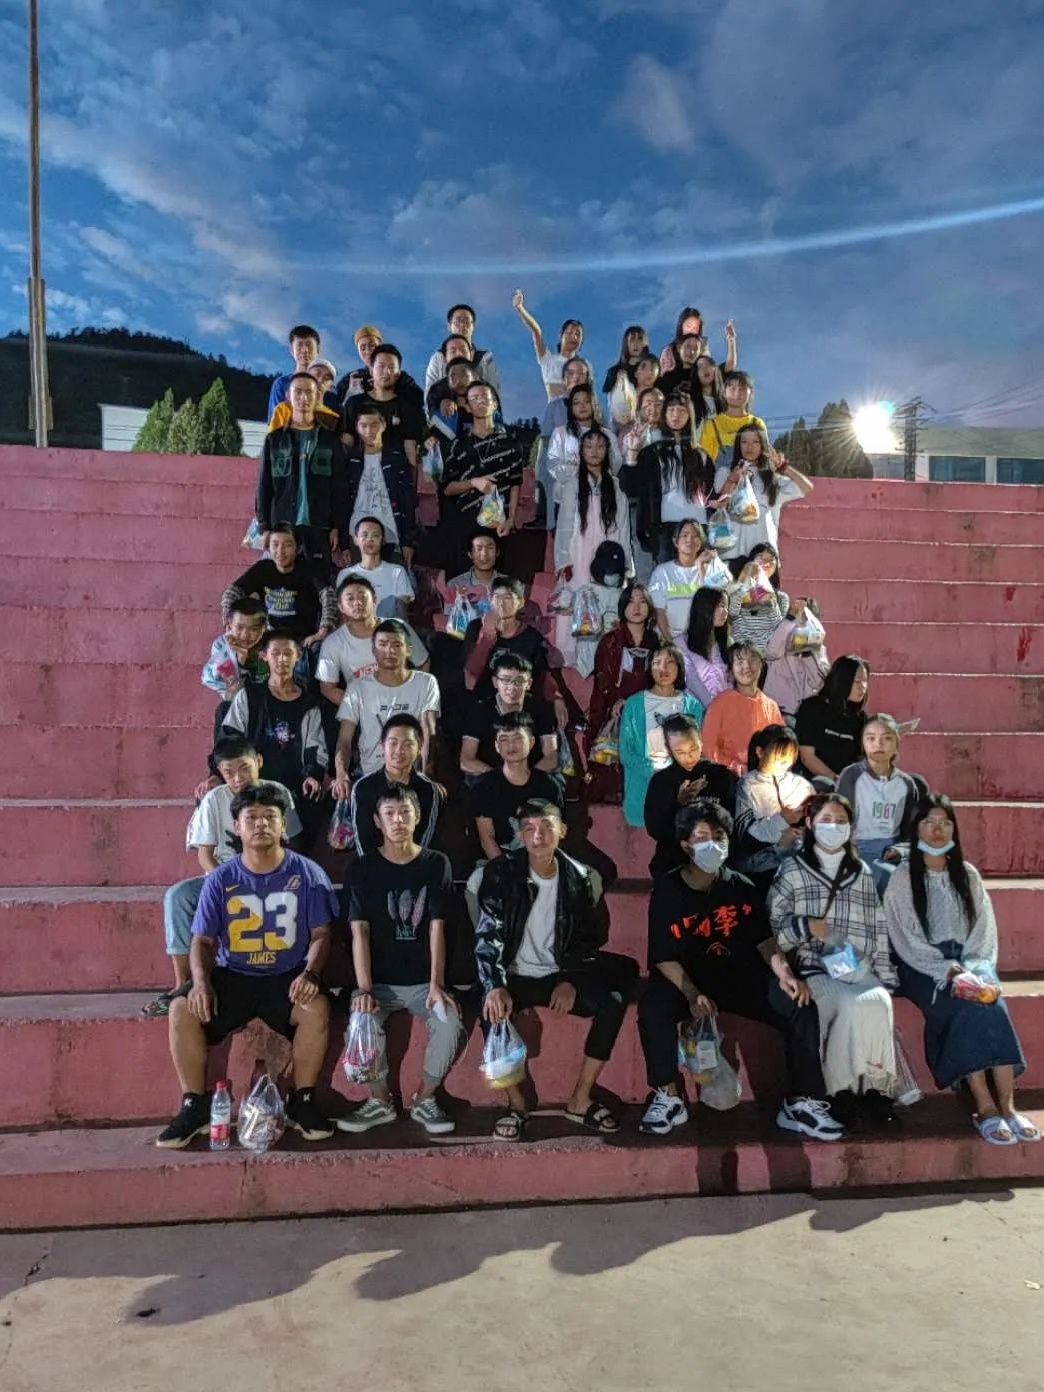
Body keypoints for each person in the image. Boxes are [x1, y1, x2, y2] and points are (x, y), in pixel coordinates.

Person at [638, 798, 842, 1140]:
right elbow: (662, 955)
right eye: (702, 837)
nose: (712, 844)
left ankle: (802, 1102)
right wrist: (692, 993)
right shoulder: (669, 891)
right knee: (653, 1005)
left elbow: (764, 941)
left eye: (718, 836)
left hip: (735, 977)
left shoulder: (741, 887)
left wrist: (786, 974)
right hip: (686, 980)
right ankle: (667, 1095)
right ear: (686, 844)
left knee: (798, 1003)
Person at [156, 783, 337, 1148]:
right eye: (251, 818)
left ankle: (302, 1101)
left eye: (270, 817)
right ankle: (194, 1105)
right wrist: (200, 983)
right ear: (236, 827)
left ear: (283, 825)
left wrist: (310, 973)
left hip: (286, 975)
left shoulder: (308, 873)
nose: (261, 824)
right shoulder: (221, 878)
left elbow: (321, 933)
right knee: (181, 1009)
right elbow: (202, 941)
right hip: (234, 975)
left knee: (316, 1007)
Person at [475, 799, 638, 1139]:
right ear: (521, 836)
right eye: (529, 830)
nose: (538, 837)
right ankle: (516, 1104)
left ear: (562, 831)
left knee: (612, 1002)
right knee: (490, 1009)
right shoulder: (502, 872)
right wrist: (494, 984)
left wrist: (569, 981)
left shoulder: (579, 877)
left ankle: (581, 1098)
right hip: (513, 975)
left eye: (546, 827)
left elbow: (584, 940)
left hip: (556, 973)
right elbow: (489, 933)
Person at [884, 794, 1037, 1145]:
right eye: (928, 823)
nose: (937, 831)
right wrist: (950, 972)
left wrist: (978, 970)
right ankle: (984, 1107)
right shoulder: (902, 879)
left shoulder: (967, 874)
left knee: (992, 1003)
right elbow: (906, 940)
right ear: (915, 829)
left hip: (970, 959)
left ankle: (1008, 1106)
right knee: (965, 1007)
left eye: (945, 823)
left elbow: (983, 930)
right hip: (923, 967)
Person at [767, 793, 900, 1130]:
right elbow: (773, 927)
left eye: (841, 821)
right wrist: (805, 927)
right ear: (810, 823)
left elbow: (877, 926)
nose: (834, 826)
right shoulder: (792, 870)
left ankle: (875, 1090)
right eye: (826, 819)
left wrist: (884, 975)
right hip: (813, 965)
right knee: (847, 1004)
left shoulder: (861, 872)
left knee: (879, 1001)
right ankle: (840, 1091)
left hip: (857, 966)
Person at [145, 737, 302, 1017]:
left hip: (271, 875)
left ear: (258, 761)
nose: (238, 778)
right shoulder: (213, 800)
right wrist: (226, 882)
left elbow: (291, 845)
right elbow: (205, 855)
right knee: (178, 896)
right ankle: (183, 983)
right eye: (229, 773)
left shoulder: (278, 792)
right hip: (223, 875)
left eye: (244, 768)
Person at [338, 785, 462, 1135]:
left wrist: (436, 985)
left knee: (449, 1021)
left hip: (423, 981)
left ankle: (425, 1097)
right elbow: (359, 932)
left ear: (417, 817)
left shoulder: (435, 863)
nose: (398, 820)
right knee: (361, 1020)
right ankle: (380, 1100)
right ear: (377, 821)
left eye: (405, 812)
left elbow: (437, 927)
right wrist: (364, 989)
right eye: (390, 814)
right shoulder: (362, 867)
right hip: (378, 982)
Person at [221, 630, 328, 846]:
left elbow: (315, 747)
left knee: (301, 829)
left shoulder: (309, 704)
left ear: (297, 656)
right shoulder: (250, 696)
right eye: (276, 653)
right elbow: (230, 738)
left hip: (294, 785)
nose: (282, 659)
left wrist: (312, 775)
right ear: (264, 656)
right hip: (252, 783)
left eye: (288, 653)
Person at [333, 618, 441, 794]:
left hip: (411, 777)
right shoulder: (357, 687)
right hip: (370, 776)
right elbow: (344, 739)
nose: (389, 651)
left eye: (397, 645)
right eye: (382, 644)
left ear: (409, 650)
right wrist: (341, 774)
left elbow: (428, 731)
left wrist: (425, 776)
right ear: (373, 650)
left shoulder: (426, 683)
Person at [255, 372, 347, 574]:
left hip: (319, 525)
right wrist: (264, 526)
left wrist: (337, 526)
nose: (303, 398)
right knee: (282, 584)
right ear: (288, 395)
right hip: (283, 526)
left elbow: (339, 486)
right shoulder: (274, 440)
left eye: (309, 393)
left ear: (317, 397)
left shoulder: (330, 440)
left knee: (317, 581)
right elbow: (264, 485)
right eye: (298, 392)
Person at [584, 583, 661, 802]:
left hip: (646, 706)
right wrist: (617, 701)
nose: (636, 607)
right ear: (622, 607)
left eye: (642, 602)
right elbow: (603, 679)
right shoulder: (611, 640)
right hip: (614, 707)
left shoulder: (654, 641)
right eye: (631, 602)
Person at [837, 714, 926, 895]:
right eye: (871, 738)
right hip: (858, 848)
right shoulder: (851, 776)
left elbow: (910, 831)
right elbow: (841, 821)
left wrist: (899, 850)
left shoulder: (906, 784)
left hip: (893, 850)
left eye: (887, 738)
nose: (878, 744)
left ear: (897, 743)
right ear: (862, 743)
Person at [619, 644, 704, 828]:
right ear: (649, 668)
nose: (663, 668)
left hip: (679, 789)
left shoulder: (692, 706)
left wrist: (674, 776)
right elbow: (626, 752)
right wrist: (653, 773)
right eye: (657, 662)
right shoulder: (634, 704)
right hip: (643, 789)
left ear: (679, 667)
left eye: (670, 662)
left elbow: (698, 750)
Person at [643, 714, 738, 877]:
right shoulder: (662, 781)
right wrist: (678, 803)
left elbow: (735, 823)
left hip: (717, 856)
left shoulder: (722, 776)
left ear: (700, 740)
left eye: (693, 749)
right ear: (669, 748)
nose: (688, 757)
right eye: (679, 752)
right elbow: (656, 829)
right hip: (675, 859)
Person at [316, 574, 427, 710]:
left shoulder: (398, 627)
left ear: (374, 600)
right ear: (341, 606)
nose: (357, 603)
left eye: (363, 596)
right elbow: (327, 688)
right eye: (350, 598)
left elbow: (423, 663)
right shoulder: (332, 643)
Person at [441, 381, 524, 552]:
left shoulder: (511, 443)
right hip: (466, 524)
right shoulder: (457, 445)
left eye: (485, 397)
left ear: (495, 404)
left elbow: (515, 484)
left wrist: (511, 519)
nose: (480, 401)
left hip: (499, 525)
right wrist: (473, 483)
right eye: (474, 398)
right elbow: (447, 489)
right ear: (467, 407)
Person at [712, 424, 813, 562]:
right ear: (738, 446)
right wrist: (731, 480)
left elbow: (806, 487)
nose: (749, 446)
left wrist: (784, 467)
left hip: (764, 557)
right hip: (731, 555)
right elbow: (719, 506)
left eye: (755, 442)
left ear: (762, 446)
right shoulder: (725, 472)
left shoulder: (771, 478)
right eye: (744, 442)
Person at [634, 395, 717, 562]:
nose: (676, 415)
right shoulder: (651, 453)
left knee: (698, 576)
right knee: (667, 576)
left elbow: (709, 495)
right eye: (671, 410)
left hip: (698, 528)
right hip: (665, 531)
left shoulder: (701, 455)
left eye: (682, 410)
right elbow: (639, 494)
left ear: (690, 415)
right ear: (664, 414)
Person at [732, 724, 814, 894]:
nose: (785, 760)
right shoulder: (748, 785)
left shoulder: (802, 785)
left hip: (798, 861)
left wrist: (806, 833)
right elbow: (745, 834)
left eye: (790, 755)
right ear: (760, 752)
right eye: (779, 754)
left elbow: (817, 820)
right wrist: (782, 821)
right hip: (761, 865)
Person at [223, 524, 333, 649]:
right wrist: (228, 621)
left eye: (287, 545)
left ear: (299, 549)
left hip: (301, 641)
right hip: (267, 640)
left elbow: (328, 595)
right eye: (275, 545)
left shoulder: (308, 570)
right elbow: (233, 592)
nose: (280, 551)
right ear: (268, 547)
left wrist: (323, 631)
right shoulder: (262, 568)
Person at [349, 714, 443, 858]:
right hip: (373, 867)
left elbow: (425, 837)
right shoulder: (364, 788)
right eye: (393, 743)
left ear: (419, 747)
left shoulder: (428, 789)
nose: (399, 750)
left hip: (414, 865)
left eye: (407, 744)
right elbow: (364, 840)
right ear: (382, 746)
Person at [473, 712, 566, 858]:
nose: (511, 745)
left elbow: (555, 832)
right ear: (497, 746)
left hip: (541, 858)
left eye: (518, 738)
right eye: (504, 740)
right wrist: (506, 868)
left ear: (532, 742)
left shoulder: (548, 784)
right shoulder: (484, 786)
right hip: (500, 861)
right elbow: (487, 838)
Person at [553, 426, 633, 585]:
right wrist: (563, 562)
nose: (594, 451)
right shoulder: (572, 485)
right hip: (578, 554)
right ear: (581, 451)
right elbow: (564, 527)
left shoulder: (616, 487)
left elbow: (624, 528)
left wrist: (625, 564)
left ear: (607, 450)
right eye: (589, 447)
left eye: (600, 446)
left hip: (609, 552)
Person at [461, 652, 558, 779]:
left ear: (529, 683)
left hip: (531, 776)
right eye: (505, 680)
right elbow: (466, 760)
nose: (512, 687)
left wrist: (525, 778)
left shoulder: (540, 708)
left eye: (519, 681)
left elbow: (551, 757)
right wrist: (502, 779)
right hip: (491, 777)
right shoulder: (480, 710)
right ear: (495, 682)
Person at [344, 408, 419, 566]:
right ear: (356, 427)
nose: (368, 431)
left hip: (390, 532)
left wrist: (408, 541)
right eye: (363, 426)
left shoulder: (396, 457)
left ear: (383, 426)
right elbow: (342, 499)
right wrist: (344, 542)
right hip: (356, 533)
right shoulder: (351, 459)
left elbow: (407, 500)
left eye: (374, 425)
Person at [700, 644, 784, 775]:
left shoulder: (771, 706)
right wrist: (736, 768)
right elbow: (708, 749)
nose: (747, 666)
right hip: (728, 776)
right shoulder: (719, 704)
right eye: (740, 662)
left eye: (752, 659)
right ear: (731, 671)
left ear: (761, 664)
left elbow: (781, 745)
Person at [343, 345, 426, 475]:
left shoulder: (407, 408)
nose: (386, 372)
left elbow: (410, 446)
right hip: (358, 474)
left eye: (391, 367)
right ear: (371, 370)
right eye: (381, 366)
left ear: (398, 374)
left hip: (395, 476)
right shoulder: (354, 403)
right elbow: (346, 441)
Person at [463, 575, 550, 697]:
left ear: (521, 603)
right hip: (482, 698)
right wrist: (486, 638)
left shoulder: (532, 637)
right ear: (490, 600)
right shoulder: (475, 628)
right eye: (497, 597)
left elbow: (541, 678)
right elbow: (469, 678)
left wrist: (556, 697)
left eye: (508, 598)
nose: (501, 603)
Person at [795, 655, 870, 783]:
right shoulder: (812, 708)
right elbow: (807, 757)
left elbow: (861, 759)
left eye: (865, 681)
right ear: (841, 680)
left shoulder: (859, 717)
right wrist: (837, 780)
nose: (862, 686)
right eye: (857, 681)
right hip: (816, 783)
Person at [763, 597, 830, 723]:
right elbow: (771, 651)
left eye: (806, 621)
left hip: (804, 714)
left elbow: (820, 681)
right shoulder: (781, 640)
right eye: (798, 619)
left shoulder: (818, 651)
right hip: (778, 710)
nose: (802, 625)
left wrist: (810, 653)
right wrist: (789, 620)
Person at [648, 519, 715, 642]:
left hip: (700, 641)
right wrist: (671, 643)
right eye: (685, 535)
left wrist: (700, 566)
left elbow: (710, 606)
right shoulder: (661, 572)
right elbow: (659, 612)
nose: (690, 539)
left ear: (700, 542)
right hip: (669, 640)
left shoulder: (710, 571)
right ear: (675, 541)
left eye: (695, 536)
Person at [511, 289, 585, 399]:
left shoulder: (583, 367)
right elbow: (536, 331)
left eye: (578, 334)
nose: (574, 337)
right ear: (561, 336)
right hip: (555, 408)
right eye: (569, 333)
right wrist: (520, 308)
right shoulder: (548, 360)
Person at [336, 516, 414, 620]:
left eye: (375, 535)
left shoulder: (397, 572)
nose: (370, 539)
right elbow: (343, 616)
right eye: (365, 535)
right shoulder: (345, 574)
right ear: (355, 539)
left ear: (383, 540)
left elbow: (402, 617)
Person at [425, 303, 501, 399]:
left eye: (467, 321)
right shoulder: (438, 357)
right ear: (449, 326)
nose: (462, 325)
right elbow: (430, 394)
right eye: (458, 321)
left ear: (473, 326)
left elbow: (493, 393)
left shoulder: (485, 358)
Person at [727, 544, 789, 653]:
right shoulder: (737, 589)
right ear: (751, 561)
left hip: (767, 655)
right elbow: (732, 614)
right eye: (761, 557)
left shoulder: (781, 598)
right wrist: (744, 588)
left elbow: (779, 629)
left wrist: (771, 602)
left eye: (771, 559)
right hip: (741, 652)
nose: (766, 562)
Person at [698, 370, 766, 463]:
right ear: (724, 392)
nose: (737, 393)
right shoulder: (712, 424)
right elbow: (704, 463)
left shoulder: (757, 423)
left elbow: (765, 457)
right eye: (732, 388)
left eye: (742, 389)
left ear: (750, 394)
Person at [682, 587, 731, 708]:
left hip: (726, 709)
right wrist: (714, 709)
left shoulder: (726, 643)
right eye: (720, 606)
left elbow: (731, 682)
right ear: (704, 608)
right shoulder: (682, 644)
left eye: (726, 606)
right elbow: (692, 682)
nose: (725, 611)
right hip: (695, 711)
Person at [267, 324, 321, 420]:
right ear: (292, 350)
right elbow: (275, 421)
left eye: (309, 345)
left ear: (318, 350)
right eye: (300, 345)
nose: (305, 350)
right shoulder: (281, 384)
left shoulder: (327, 387)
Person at [444, 528, 500, 616]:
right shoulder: (455, 584)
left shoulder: (510, 585)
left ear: (497, 552)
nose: (484, 554)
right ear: (470, 554)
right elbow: (448, 620)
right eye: (478, 549)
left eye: (490, 548)